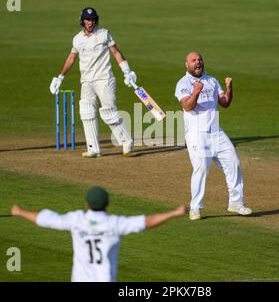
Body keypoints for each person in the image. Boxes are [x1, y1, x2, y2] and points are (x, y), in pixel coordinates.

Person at [11, 186, 186, 282]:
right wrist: (174, 212)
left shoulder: (76, 219)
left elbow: (46, 218)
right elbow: (148, 222)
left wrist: (20, 212)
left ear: (86, 204)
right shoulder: (115, 224)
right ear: (107, 204)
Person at [175, 52, 252, 221]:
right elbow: (187, 106)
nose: (198, 62)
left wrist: (229, 89)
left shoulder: (212, 80)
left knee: (234, 163)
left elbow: (224, 103)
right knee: (201, 169)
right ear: (186, 64)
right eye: (193, 60)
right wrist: (195, 92)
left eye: (199, 59)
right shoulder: (183, 83)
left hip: (216, 131)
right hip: (196, 134)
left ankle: (236, 203)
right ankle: (195, 208)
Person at [50, 7, 136, 157]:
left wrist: (127, 71)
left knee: (108, 113)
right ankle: (93, 148)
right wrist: (60, 77)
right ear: (82, 21)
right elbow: (71, 57)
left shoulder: (104, 34)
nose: (90, 22)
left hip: (104, 79)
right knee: (86, 112)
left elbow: (116, 52)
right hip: (87, 82)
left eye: (92, 20)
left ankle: (126, 141)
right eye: (87, 20)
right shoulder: (77, 39)